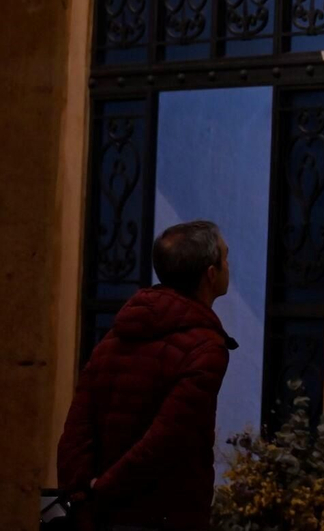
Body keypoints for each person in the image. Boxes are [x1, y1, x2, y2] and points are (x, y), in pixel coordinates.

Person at [57, 220, 236, 530]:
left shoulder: (116, 335)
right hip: (165, 512)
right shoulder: (205, 348)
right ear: (210, 274)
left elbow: (76, 428)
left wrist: (82, 492)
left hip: (102, 515)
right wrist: (101, 490)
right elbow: (165, 441)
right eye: (225, 258)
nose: (228, 266)